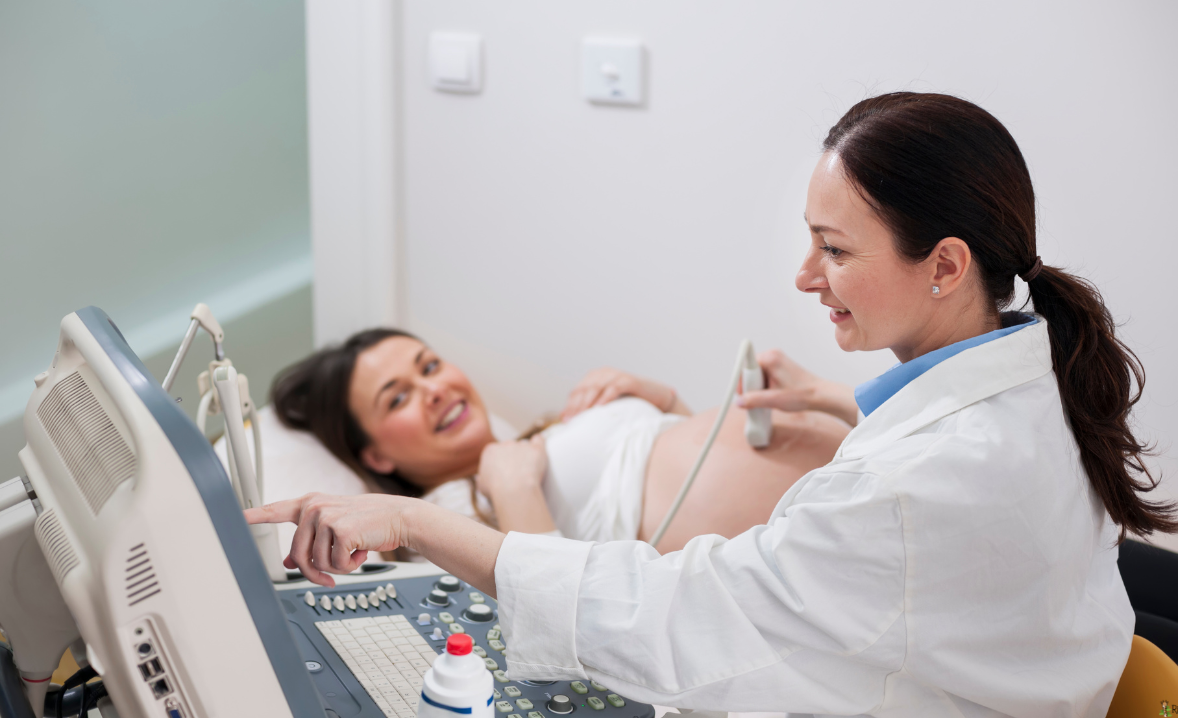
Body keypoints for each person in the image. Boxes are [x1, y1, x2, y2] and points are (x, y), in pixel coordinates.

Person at [248, 92, 1175, 716]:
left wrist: (417, 519)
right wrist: (440, 508)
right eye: (397, 398)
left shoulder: (911, 485)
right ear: (374, 452)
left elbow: (677, 616)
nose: (805, 275)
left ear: (945, 265)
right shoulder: (1028, 368)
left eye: (835, 249)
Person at [268, 328, 851, 551]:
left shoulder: (543, 431)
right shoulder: (444, 518)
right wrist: (513, 488)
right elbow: (548, 603)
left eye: (430, 366)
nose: (434, 391)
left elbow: (678, 468)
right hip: (823, 533)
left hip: (848, 470)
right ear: (375, 455)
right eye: (397, 398)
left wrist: (661, 399)